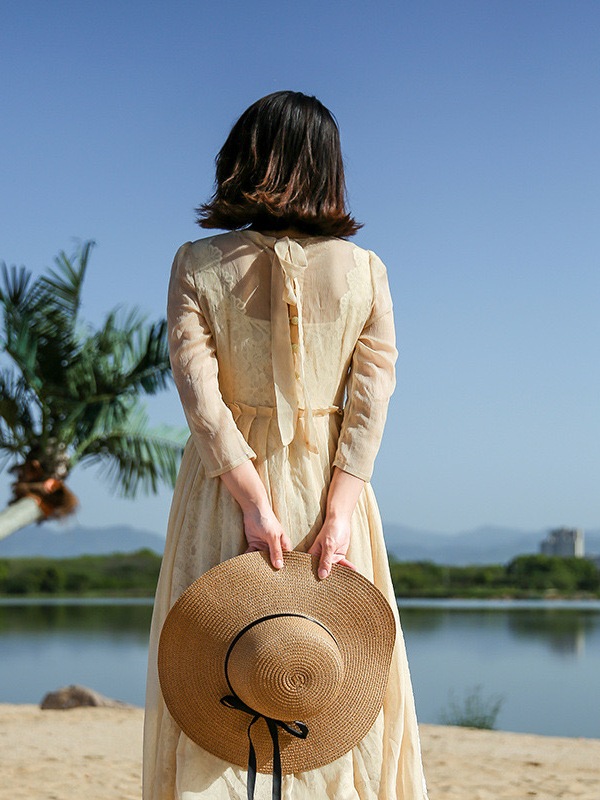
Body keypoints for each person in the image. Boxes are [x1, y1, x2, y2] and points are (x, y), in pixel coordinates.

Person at [143, 90, 429, 800]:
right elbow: (371, 401)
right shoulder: (366, 269)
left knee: (214, 671)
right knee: (331, 678)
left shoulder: (196, 262)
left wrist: (251, 501)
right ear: (328, 166)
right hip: (333, 486)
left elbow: (199, 396)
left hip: (224, 487)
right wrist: (340, 511)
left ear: (241, 158)